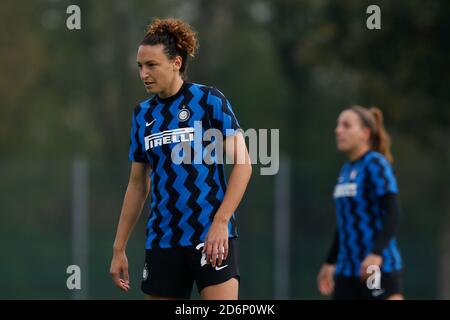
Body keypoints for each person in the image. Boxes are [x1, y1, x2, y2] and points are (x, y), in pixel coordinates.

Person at [109, 18, 252, 300]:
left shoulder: (209, 100)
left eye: (152, 65)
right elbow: (138, 185)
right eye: (140, 66)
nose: (144, 74)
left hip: (210, 235)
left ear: (176, 62)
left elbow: (243, 164)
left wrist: (221, 222)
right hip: (163, 239)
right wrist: (118, 248)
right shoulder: (142, 115)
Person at [317, 106, 404, 300]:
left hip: (376, 266)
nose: (338, 130)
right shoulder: (346, 170)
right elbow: (344, 224)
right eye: (338, 125)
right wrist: (330, 262)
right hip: (347, 270)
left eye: (346, 125)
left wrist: (376, 253)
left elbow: (393, 212)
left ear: (365, 133)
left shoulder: (375, 163)